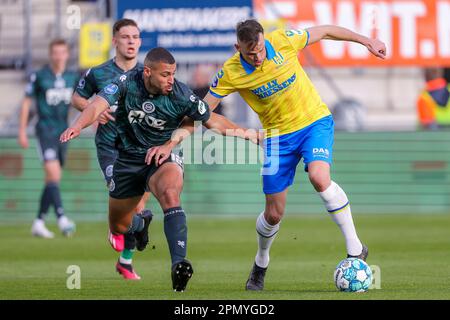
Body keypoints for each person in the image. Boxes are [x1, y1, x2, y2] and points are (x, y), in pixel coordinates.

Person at [159, 20, 386, 291]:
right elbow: (203, 111)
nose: (257, 58)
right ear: (237, 47)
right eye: (250, 53)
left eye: (260, 51)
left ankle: (355, 248)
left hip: (314, 121)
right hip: (276, 137)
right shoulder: (230, 72)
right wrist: (172, 139)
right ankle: (260, 263)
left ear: (265, 39)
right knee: (274, 214)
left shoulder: (282, 41)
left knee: (319, 176)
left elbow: (325, 30)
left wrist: (366, 40)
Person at [60, 47, 250, 291]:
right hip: (127, 161)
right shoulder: (127, 82)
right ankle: (139, 226)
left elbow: (212, 120)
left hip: (162, 157)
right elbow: (97, 105)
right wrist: (78, 126)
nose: (171, 79)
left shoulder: (181, 93)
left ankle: (179, 265)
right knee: (118, 226)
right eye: (165, 75)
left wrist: (250, 135)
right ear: (148, 72)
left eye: (173, 74)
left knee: (171, 194)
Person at [71, 18, 152, 280]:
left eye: (135, 37)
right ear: (115, 40)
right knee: (125, 197)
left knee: (139, 206)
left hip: (140, 147)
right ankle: (117, 227)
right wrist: (92, 110)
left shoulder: (146, 75)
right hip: (110, 146)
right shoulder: (98, 72)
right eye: (125, 37)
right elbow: (77, 97)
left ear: (140, 42)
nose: (131, 41)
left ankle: (125, 261)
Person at [18, 39, 78, 239]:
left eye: (62, 52)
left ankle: (38, 222)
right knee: (53, 174)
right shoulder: (40, 76)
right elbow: (27, 102)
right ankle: (62, 219)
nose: (59, 56)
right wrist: (22, 130)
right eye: (55, 52)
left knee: (52, 179)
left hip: (63, 132)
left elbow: (82, 100)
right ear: (50, 54)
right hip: (45, 130)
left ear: (67, 55)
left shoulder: (72, 77)